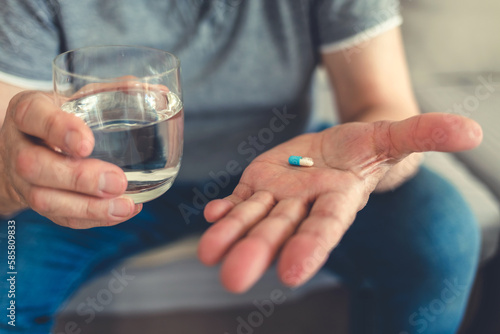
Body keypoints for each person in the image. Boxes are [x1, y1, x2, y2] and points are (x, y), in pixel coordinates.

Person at [0, 0, 483, 333]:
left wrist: (374, 154)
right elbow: (9, 140)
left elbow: (381, 102)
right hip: (105, 182)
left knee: (441, 232)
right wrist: (13, 175)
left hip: (290, 166)